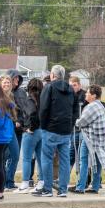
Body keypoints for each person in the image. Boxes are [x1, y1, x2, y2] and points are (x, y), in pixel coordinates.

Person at [34, 65, 78, 197]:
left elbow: (43, 109)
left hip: (51, 129)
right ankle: (63, 189)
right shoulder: (70, 89)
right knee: (64, 160)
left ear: (52, 75)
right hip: (66, 129)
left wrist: (43, 125)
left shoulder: (49, 87)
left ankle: (47, 189)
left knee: (46, 158)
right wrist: (70, 125)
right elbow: (75, 111)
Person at [73, 85, 105, 193]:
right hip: (100, 139)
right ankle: (95, 186)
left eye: (88, 93)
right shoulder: (101, 106)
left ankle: (80, 187)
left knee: (83, 161)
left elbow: (82, 122)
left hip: (89, 138)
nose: (86, 94)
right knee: (97, 163)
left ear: (93, 95)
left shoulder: (91, 106)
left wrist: (75, 121)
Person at [18, 78, 44, 193]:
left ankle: (25, 183)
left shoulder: (29, 100)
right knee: (40, 158)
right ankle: (41, 182)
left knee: (27, 159)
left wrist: (29, 128)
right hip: (42, 131)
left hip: (32, 132)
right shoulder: (43, 99)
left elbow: (32, 114)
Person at [5, 70, 29, 190]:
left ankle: (9, 180)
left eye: (18, 79)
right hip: (9, 128)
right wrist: (15, 121)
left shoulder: (21, 92)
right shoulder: (5, 94)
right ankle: (2, 181)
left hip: (20, 129)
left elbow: (25, 109)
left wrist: (24, 124)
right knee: (6, 156)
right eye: (15, 78)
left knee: (15, 155)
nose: (17, 81)